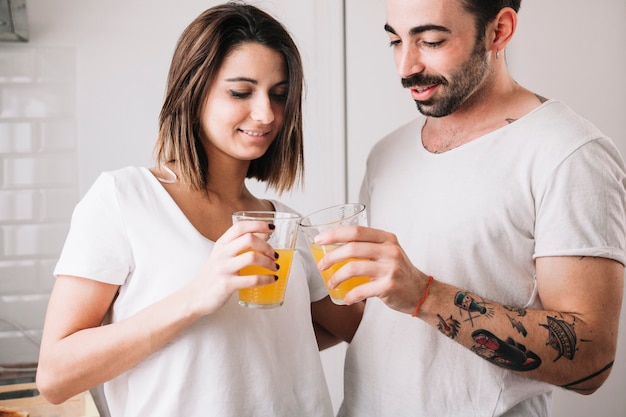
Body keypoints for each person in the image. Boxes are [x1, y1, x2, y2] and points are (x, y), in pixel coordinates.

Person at [35, 3, 361, 417]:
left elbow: (338, 330)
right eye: (241, 92)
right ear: (193, 89)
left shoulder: (283, 223)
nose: (266, 114)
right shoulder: (125, 198)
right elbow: (55, 376)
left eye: (279, 95)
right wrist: (196, 297)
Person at [314, 0, 626, 416]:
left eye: (430, 40)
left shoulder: (568, 153)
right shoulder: (387, 153)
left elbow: (592, 362)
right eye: (395, 40)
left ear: (499, 31)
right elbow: (375, 326)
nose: (405, 66)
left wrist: (425, 294)